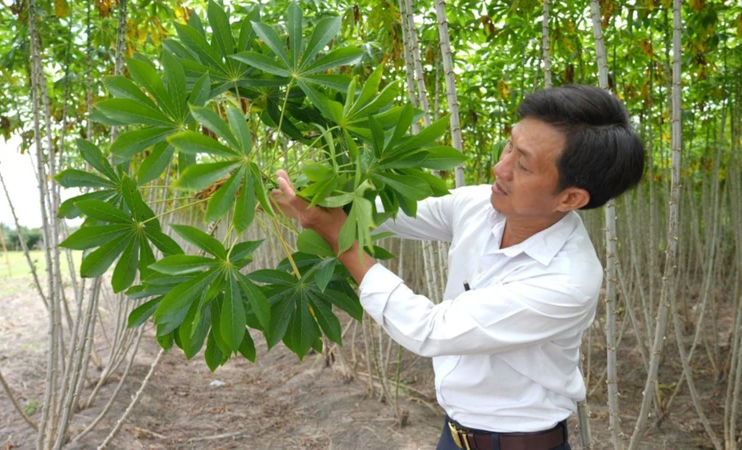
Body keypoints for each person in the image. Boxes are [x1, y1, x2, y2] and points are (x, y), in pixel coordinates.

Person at [271, 85, 645, 450]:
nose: (500, 167)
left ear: (570, 197)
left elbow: (430, 330)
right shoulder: (481, 205)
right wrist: (310, 194)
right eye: (509, 145)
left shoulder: (567, 280)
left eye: (523, 164)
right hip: (455, 434)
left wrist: (342, 241)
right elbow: (384, 212)